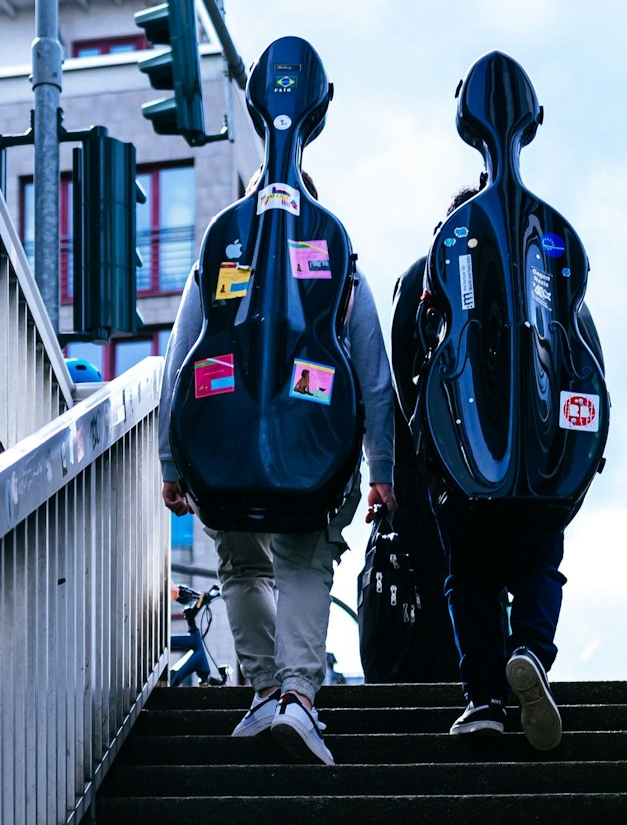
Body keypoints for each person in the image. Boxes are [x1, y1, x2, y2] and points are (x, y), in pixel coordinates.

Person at [158, 178, 396, 766]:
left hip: (223, 453)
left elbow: (178, 364)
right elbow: (374, 379)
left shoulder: (216, 263)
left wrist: (172, 461)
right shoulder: (339, 263)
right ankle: (296, 696)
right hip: (315, 451)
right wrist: (381, 468)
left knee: (241, 564)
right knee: (304, 561)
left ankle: (264, 691)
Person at [404, 187, 567, 751]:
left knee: (470, 576)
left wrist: (427, 454)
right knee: (540, 563)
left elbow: (410, 377)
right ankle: (529, 652)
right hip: (541, 465)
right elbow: (582, 357)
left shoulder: (426, 281)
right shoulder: (545, 277)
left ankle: (484, 701)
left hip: (461, 465)